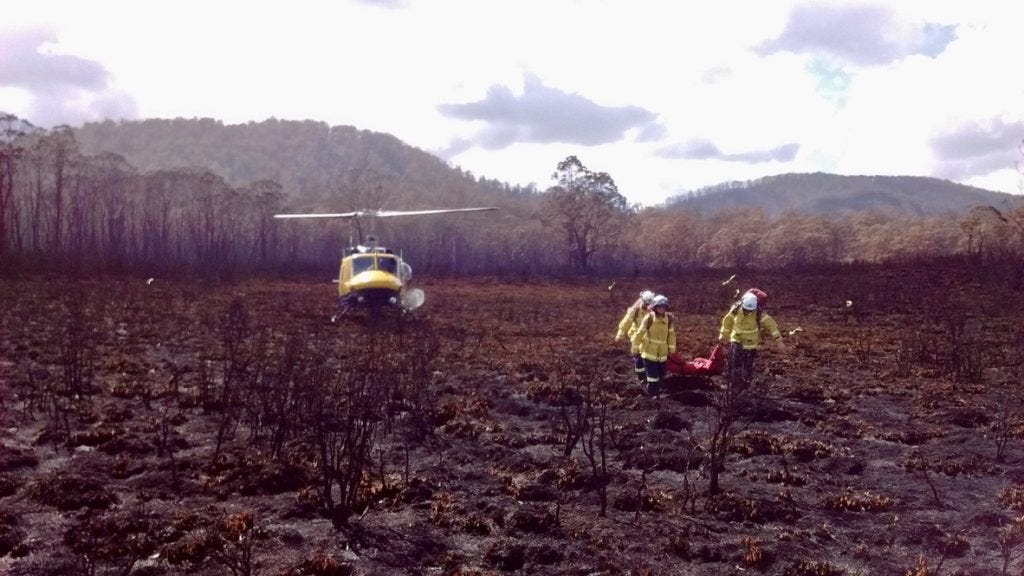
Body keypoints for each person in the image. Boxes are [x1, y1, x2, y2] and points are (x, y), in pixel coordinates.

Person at [717, 288, 785, 390]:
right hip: (736, 341)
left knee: (747, 367)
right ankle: (734, 386)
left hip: (750, 345)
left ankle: (745, 387)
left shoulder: (759, 313)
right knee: (735, 364)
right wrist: (723, 335)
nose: (748, 311)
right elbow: (727, 322)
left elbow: (771, 325)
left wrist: (778, 340)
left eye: (750, 310)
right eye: (746, 309)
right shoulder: (735, 310)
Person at [632, 294, 676, 395]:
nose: (662, 309)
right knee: (653, 376)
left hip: (662, 354)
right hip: (649, 352)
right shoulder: (649, 318)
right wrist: (635, 347)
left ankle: (657, 391)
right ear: (655, 307)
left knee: (662, 373)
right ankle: (652, 393)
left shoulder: (669, 319)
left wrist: (671, 348)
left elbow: (671, 334)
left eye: (664, 306)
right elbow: (639, 333)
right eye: (660, 306)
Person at [614, 289, 655, 384]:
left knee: (648, 357)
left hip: (648, 338)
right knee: (639, 357)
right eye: (646, 303)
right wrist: (620, 334)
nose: (648, 305)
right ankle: (641, 377)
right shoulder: (635, 310)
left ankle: (648, 375)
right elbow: (626, 322)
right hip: (636, 337)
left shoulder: (652, 310)